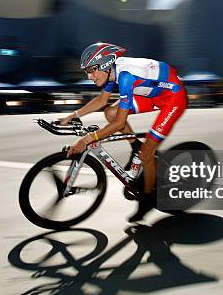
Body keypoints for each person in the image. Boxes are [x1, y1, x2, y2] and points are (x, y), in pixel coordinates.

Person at [62, 42, 188, 222]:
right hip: (155, 93)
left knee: (146, 155)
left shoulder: (125, 76)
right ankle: (136, 145)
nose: (90, 76)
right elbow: (101, 101)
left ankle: (147, 200)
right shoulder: (111, 72)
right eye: (87, 72)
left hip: (173, 99)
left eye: (92, 70)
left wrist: (86, 140)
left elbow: (120, 123)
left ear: (105, 64)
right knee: (110, 112)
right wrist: (73, 115)